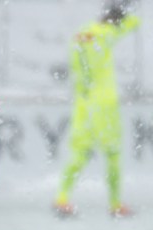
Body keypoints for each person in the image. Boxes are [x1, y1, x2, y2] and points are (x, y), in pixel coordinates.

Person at [54, 1, 140, 218]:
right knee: (113, 152)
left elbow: (75, 65)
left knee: (79, 152)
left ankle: (62, 198)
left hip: (83, 102)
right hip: (105, 103)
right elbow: (132, 22)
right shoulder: (107, 34)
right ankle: (115, 203)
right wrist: (129, 14)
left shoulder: (82, 33)